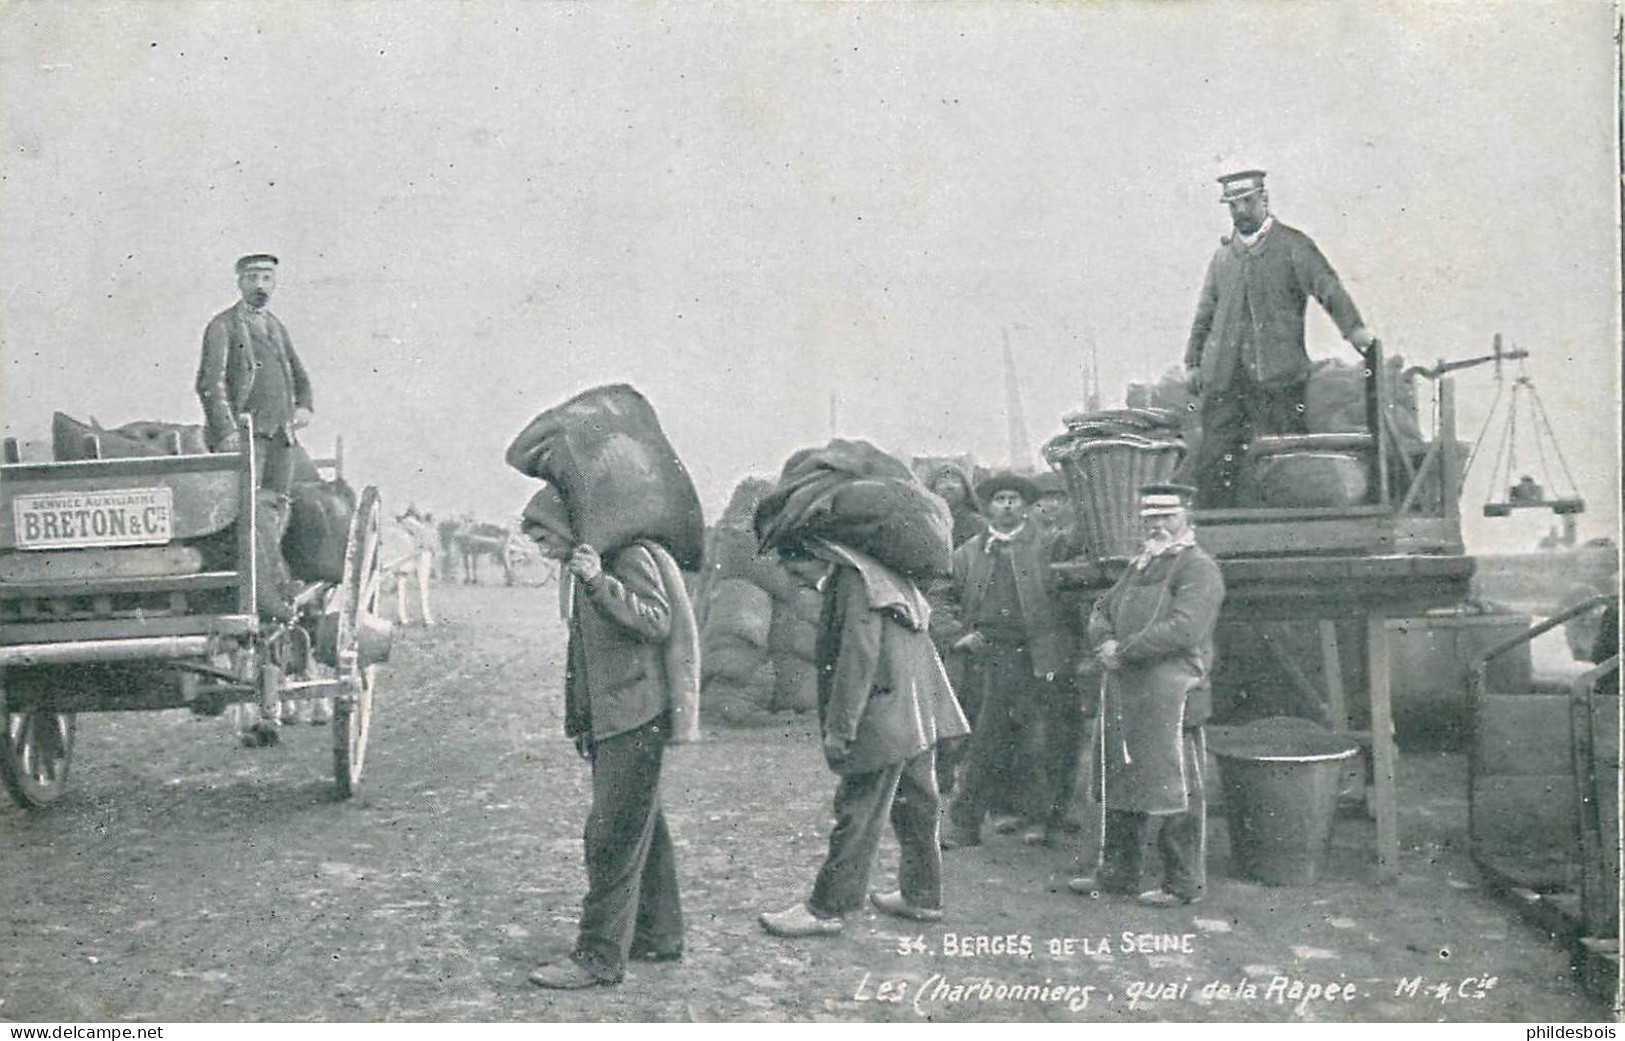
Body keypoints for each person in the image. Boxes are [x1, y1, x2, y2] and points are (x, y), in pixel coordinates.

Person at [520, 485, 696, 989]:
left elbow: (656, 621)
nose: (542, 548)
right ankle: (660, 935)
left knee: (612, 837)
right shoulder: (587, 566)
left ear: (569, 526)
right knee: (644, 828)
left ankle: (599, 957)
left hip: (636, 716)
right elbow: (586, 657)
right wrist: (582, 722)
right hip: (615, 717)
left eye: (544, 535)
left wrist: (601, 583)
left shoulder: (625, 557)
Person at [759, 536, 969, 937]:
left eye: (794, 565)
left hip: (883, 714)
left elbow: (859, 655)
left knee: (858, 810)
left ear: (816, 555)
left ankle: (826, 909)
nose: (793, 576)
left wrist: (841, 727)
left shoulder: (852, 583)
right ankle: (922, 896)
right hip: (915, 711)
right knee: (917, 806)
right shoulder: (883, 576)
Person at [1183, 170, 1379, 508]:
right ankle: (1220, 538)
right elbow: (1205, 313)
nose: (1240, 211)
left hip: (1279, 379)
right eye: (1233, 205)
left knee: (1284, 462)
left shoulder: (1292, 245)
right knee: (1215, 462)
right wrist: (1192, 361)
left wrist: (1356, 331)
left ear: (1264, 199)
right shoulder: (1224, 257)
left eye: (1247, 201)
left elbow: (1327, 287)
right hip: (1225, 381)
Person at [1069, 483, 1225, 907]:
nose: (1158, 525)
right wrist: (1102, 640)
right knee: (1121, 776)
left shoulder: (1199, 568)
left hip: (1174, 691)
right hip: (1128, 687)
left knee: (1177, 788)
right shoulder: (1139, 566)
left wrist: (1125, 650)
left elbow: (1185, 628)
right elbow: (1102, 608)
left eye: (1167, 517)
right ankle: (1119, 873)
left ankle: (1183, 883)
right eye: (1151, 518)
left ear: (1186, 517)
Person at [940, 472, 1077, 848]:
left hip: (1039, 654)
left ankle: (1041, 819)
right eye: (1000, 499)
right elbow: (938, 595)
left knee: (1041, 739)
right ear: (988, 506)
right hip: (988, 657)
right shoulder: (968, 553)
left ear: (1026, 506)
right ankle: (965, 823)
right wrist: (957, 634)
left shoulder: (1048, 547)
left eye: (1014, 499)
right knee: (982, 741)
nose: (1007, 505)